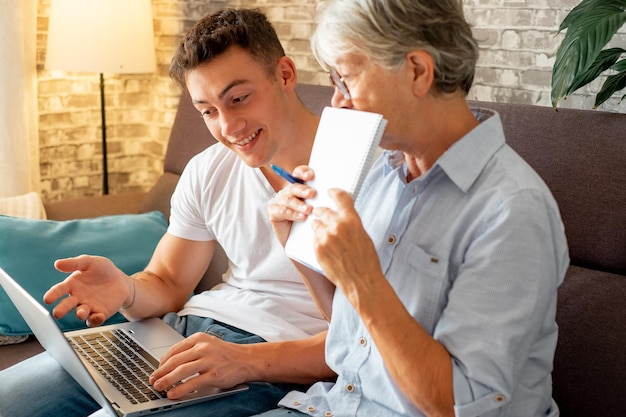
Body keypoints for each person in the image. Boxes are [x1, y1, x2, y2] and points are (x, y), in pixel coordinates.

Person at [0, 9, 329, 417]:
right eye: (207, 110)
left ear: (284, 74)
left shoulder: (364, 171)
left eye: (238, 98)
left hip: (273, 359)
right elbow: (169, 280)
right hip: (181, 332)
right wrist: (126, 289)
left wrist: (245, 361)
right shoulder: (209, 168)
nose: (228, 126)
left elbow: (371, 342)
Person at [258, 0, 569, 416]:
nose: (337, 102)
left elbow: (458, 405)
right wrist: (296, 245)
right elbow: (355, 333)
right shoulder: (381, 174)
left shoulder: (512, 210)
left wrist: (362, 278)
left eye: (346, 80)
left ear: (418, 72)